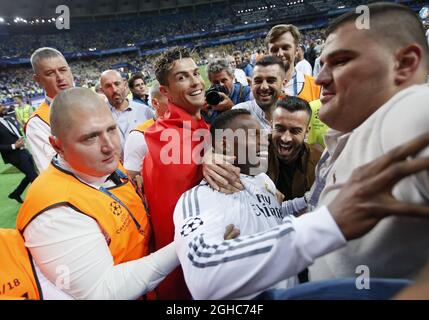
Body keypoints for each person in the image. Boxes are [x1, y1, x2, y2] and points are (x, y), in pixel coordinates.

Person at [174, 109, 429, 300]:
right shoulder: (201, 196)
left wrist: (317, 200)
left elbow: (273, 213)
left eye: (263, 134)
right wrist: (330, 222)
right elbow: (202, 271)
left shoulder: (262, 180)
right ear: (226, 144)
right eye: (254, 136)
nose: (266, 141)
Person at [16, 88, 178, 299]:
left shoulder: (102, 166)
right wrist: (183, 246)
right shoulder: (54, 209)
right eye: (90, 137)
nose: (109, 146)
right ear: (57, 145)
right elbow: (102, 291)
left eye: (111, 129)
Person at [307, 2, 429, 282]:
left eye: (340, 61)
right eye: (323, 63)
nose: (320, 78)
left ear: (404, 63)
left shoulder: (409, 111)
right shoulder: (349, 130)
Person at [25, 47, 74, 172]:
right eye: (50, 73)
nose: (60, 77)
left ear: (70, 70)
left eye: (63, 70)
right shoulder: (38, 123)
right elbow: (53, 171)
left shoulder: (93, 101)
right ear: (38, 80)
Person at [271, 96, 322, 201]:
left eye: (295, 131)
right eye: (280, 128)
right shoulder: (252, 152)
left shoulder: (320, 163)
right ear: (271, 125)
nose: (285, 138)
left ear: (307, 131)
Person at [123, 81, 169, 180]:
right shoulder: (139, 136)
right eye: (172, 101)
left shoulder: (189, 127)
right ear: (155, 103)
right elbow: (132, 180)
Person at [100, 70, 155, 151]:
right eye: (108, 86)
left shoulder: (145, 111)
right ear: (102, 91)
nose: (114, 89)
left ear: (124, 84)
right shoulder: (98, 117)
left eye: (117, 84)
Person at [265, 24, 320, 103]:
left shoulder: (315, 86)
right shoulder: (259, 91)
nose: (280, 53)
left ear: (297, 50)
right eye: (274, 49)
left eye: (285, 48)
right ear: (267, 54)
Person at [233, 55, 286, 131]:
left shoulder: (291, 114)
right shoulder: (239, 114)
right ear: (251, 85)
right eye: (258, 81)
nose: (264, 87)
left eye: (271, 81)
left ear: (283, 84)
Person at [0, 105, 38, 203]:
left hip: (23, 150)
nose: (3, 107)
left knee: (31, 174)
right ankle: (43, 200)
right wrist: (13, 146)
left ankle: (16, 193)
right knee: (34, 177)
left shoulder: (9, 118)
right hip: (13, 155)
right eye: (0, 106)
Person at [203, 57, 251, 123]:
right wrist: (204, 112)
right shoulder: (209, 97)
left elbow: (252, 123)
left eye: (224, 80)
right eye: (216, 82)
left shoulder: (246, 92)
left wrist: (231, 108)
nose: (221, 85)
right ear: (210, 82)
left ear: (232, 77)